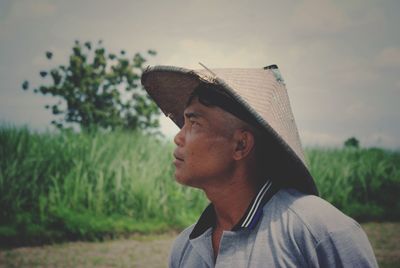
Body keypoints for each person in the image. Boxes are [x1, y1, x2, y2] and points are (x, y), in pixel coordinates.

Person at [141, 64, 378, 267]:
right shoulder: (186, 248)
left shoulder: (317, 231)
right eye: (183, 123)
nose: (178, 137)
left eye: (195, 123)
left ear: (240, 145)